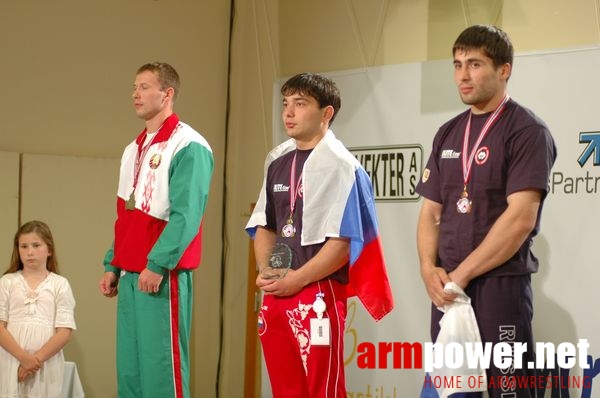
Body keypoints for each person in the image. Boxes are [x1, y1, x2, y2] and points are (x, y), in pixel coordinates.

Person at [416, 25, 557, 397]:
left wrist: (460, 275)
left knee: (506, 393)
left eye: (475, 64)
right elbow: (431, 213)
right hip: (448, 292)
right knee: (453, 392)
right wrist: (428, 269)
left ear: (504, 69)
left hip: (499, 290)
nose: (463, 75)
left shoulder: (527, 131)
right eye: (458, 64)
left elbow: (520, 220)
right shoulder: (447, 133)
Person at [246, 72, 394, 397]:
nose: (288, 112)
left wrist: (297, 279)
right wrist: (268, 271)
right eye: (286, 104)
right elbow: (265, 225)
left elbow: (343, 244)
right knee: (284, 388)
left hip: (317, 294)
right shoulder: (277, 160)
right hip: (278, 290)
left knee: (322, 389)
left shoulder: (343, 167)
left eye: (300, 104)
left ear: (326, 113)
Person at [99, 62, 214, 398]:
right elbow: (126, 215)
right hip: (130, 273)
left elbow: (187, 215)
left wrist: (158, 262)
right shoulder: (133, 148)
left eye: (145, 86)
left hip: (161, 274)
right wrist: (113, 263)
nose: (136, 93)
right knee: (131, 372)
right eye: (134, 87)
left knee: (162, 370)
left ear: (168, 94)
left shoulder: (189, 144)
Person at [0, 220, 76, 398]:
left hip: (46, 365)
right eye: (23, 246)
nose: (30, 252)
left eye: (36, 245)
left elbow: (64, 331)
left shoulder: (60, 284)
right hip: (11, 360)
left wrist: (36, 360)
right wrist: (23, 358)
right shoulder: (7, 282)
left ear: (49, 250)